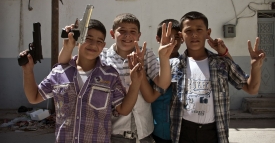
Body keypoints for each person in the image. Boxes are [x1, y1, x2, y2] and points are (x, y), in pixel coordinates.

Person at [20, 19, 145, 143]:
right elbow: (34, 97)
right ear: (77, 41)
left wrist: (135, 82)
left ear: (103, 45)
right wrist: (28, 70)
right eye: (88, 38)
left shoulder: (109, 75)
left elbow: (123, 109)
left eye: (99, 41)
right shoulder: (59, 72)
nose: (93, 44)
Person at [58, 13, 175, 142]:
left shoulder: (146, 54)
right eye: (122, 31)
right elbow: (66, 66)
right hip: (114, 133)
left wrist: (163, 57)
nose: (127, 36)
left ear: (139, 35)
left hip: (144, 133)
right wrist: (68, 46)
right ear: (113, 34)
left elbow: (162, 84)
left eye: (132, 31)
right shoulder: (102, 57)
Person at [166, 11, 265, 143]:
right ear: (181, 36)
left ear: (208, 33)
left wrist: (255, 67)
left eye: (199, 29)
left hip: (213, 133)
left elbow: (251, 89)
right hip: (182, 132)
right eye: (188, 30)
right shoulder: (173, 65)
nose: (194, 34)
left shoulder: (222, 63)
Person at [142, 19, 231, 143]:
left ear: (182, 38)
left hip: (181, 132)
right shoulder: (153, 65)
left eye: (176, 37)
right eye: (167, 38)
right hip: (157, 129)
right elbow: (148, 95)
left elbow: (233, 73)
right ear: (158, 39)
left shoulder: (190, 65)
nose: (172, 41)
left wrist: (224, 53)